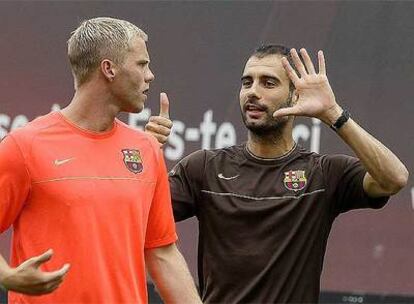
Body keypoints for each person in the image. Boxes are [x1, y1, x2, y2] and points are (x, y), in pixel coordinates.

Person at [147, 45, 409, 303]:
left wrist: (332, 113)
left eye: (268, 83)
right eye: (247, 82)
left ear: (296, 97)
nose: (253, 92)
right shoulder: (204, 168)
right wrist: (145, 153)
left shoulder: (324, 174)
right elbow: (139, 216)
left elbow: (394, 178)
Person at [0, 17, 201, 303]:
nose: (150, 75)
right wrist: (6, 276)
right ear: (109, 69)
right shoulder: (24, 146)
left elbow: (162, 253)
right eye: (142, 64)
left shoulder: (146, 149)